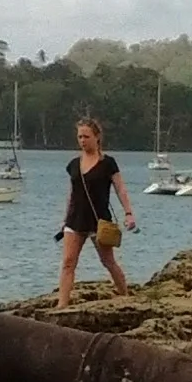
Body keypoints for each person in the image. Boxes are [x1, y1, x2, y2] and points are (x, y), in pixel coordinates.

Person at [55, 116, 137, 307]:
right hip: (75, 220)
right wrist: (65, 219)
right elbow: (72, 193)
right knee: (68, 263)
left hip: (99, 221)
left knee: (108, 261)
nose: (82, 141)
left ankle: (126, 296)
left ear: (97, 137)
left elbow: (120, 189)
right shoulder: (73, 164)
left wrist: (128, 213)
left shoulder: (108, 163)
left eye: (86, 136)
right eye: (79, 137)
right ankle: (61, 305)